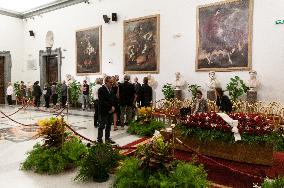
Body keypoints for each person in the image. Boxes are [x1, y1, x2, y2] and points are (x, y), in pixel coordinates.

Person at [97, 76, 116, 144]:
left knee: (108, 125)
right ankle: (99, 139)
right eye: (110, 82)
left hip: (110, 111)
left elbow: (113, 99)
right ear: (106, 82)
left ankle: (107, 138)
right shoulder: (101, 89)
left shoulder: (111, 89)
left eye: (112, 83)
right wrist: (110, 108)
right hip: (104, 111)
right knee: (102, 126)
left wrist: (113, 107)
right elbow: (102, 101)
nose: (112, 84)